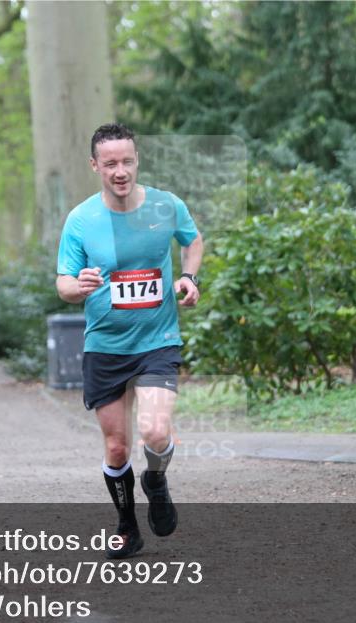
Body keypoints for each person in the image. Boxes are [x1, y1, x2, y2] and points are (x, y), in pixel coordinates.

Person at [55, 122, 203, 559]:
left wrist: (189, 277)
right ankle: (127, 526)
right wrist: (78, 285)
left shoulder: (165, 205)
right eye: (110, 164)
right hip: (105, 345)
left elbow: (193, 242)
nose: (120, 171)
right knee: (117, 447)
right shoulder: (81, 220)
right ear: (95, 166)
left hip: (158, 338)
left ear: (137, 160)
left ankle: (155, 479)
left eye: (127, 161)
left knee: (155, 431)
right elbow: (63, 283)